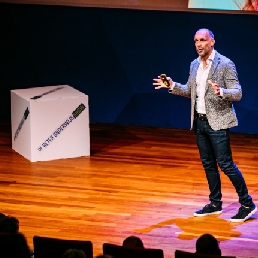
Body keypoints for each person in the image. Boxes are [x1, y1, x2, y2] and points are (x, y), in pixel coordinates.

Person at [153, 28, 256, 222]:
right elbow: (191, 91)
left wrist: (221, 92)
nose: (198, 44)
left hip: (217, 122)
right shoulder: (194, 65)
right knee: (208, 164)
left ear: (212, 42)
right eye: (195, 41)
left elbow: (238, 92)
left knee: (226, 164)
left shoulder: (225, 64)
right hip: (199, 121)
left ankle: (247, 204)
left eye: (202, 40)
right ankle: (215, 203)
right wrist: (172, 86)